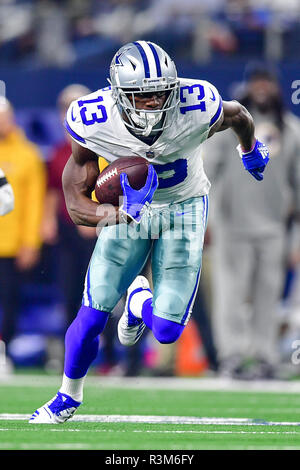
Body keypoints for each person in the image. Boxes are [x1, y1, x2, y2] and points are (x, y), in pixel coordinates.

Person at [29, 40, 269, 423]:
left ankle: (139, 302)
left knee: (169, 331)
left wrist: (249, 150)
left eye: (161, 94)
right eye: (143, 97)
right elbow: (75, 205)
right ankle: (67, 396)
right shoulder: (93, 119)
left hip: (185, 207)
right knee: (92, 314)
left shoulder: (197, 104)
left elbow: (239, 114)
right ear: (118, 95)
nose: (154, 104)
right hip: (129, 211)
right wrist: (119, 213)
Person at [203, 64, 300, 379]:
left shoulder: (291, 129)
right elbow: (206, 173)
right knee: (230, 294)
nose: (261, 88)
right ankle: (231, 355)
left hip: (274, 228)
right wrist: (208, 221)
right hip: (232, 225)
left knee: (268, 295)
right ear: (246, 86)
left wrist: (296, 238)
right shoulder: (227, 126)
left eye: (266, 82)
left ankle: (264, 356)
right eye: (255, 82)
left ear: (275, 87)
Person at [41, 84, 98, 329]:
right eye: (65, 108)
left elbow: (114, 189)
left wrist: (95, 217)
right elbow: (53, 190)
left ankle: (108, 356)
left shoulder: (102, 148)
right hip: (67, 230)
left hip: (96, 230)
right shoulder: (59, 153)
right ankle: (70, 354)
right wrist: (47, 220)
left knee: (99, 294)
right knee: (69, 293)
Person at [0, 97, 46, 358]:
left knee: (10, 301)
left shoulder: (27, 155)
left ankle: (3, 352)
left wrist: (30, 242)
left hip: (10, 244)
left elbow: (33, 203)